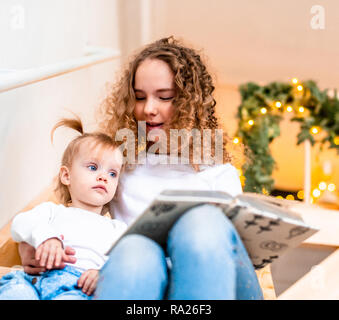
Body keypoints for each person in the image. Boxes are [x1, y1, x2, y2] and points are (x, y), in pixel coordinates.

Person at [18, 36, 264, 300]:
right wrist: (30, 246)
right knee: (135, 247)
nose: (148, 109)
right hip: (145, 284)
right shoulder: (121, 165)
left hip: (215, 279)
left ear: (189, 102)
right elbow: (72, 217)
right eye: (139, 97)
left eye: (165, 97)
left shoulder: (218, 173)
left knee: (199, 223)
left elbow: (233, 257)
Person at [0, 117, 127, 300]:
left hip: (78, 289)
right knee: (15, 293)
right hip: (32, 281)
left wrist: (104, 274)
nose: (103, 177)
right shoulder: (52, 211)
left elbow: (126, 263)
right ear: (66, 176)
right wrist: (46, 237)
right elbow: (20, 224)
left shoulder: (117, 228)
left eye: (112, 173)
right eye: (93, 167)